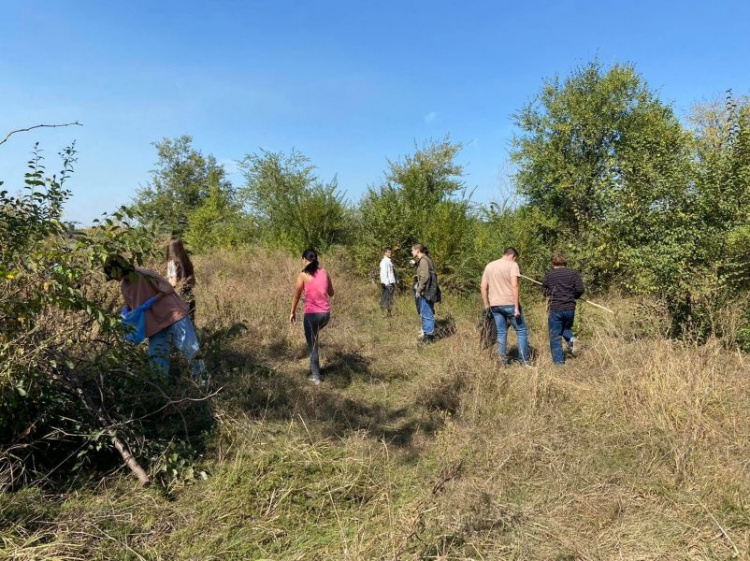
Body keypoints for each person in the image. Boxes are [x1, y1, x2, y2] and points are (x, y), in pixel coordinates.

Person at [104, 254, 207, 384]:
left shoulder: (144, 274)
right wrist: (126, 313)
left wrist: (153, 300)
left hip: (173, 314)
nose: (115, 278)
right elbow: (132, 306)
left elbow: (168, 287)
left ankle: (204, 383)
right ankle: (162, 389)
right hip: (155, 325)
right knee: (157, 358)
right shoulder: (125, 287)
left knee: (190, 349)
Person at [289, 248, 335, 385]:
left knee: (313, 345)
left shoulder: (303, 275)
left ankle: (316, 377)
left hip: (311, 316)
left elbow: (296, 295)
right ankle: (314, 368)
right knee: (314, 337)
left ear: (304, 260)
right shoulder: (325, 272)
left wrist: (292, 311)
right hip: (325, 315)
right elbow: (331, 293)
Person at [480, 247, 531, 365]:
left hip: (495, 305)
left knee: (501, 332)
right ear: (512, 256)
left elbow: (483, 286)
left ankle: (501, 361)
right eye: (515, 258)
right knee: (521, 331)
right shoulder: (513, 265)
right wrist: (516, 307)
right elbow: (515, 286)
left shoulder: (489, 266)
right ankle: (524, 361)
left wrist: (486, 305)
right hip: (509, 303)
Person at [542, 253, 584, 364]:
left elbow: (545, 291)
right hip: (570, 307)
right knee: (565, 328)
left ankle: (559, 363)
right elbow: (580, 289)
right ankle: (571, 339)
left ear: (552, 263)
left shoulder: (550, 275)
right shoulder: (573, 273)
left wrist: (549, 292)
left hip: (555, 308)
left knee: (555, 335)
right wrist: (573, 296)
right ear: (565, 262)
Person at [411, 243, 440, 344]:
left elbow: (425, 276)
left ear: (417, 251)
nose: (412, 252)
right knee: (426, 312)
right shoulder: (425, 259)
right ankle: (427, 334)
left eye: (412, 250)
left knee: (427, 312)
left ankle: (429, 337)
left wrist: (419, 289)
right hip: (428, 290)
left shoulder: (423, 260)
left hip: (426, 291)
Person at [166, 237, 196, 321]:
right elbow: (193, 282)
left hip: (178, 296)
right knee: (190, 322)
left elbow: (173, 283)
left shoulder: (172, 263)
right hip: (189, 294)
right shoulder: (187, 262)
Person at [379, 247, 397, 317]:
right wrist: (387, 284)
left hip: (391, 282)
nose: (390, 253)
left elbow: (391, 273)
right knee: (386, 299)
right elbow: (384, 273)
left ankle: (389, 314)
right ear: (385, 253)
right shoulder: (384, 262)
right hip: (387, 283)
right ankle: (383, 314)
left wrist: (395, 280)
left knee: (390, 299)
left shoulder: (389, 261)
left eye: (391, 252)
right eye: (389, 252)